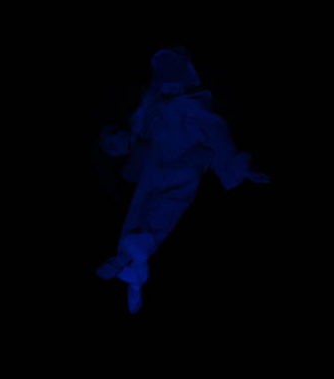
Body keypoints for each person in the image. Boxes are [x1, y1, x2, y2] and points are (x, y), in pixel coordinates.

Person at [97, 48, 268, 313]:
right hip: (157, 167)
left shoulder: (194, 108)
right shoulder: (149, 117)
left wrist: (240, 167)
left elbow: (218, 137)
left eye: (112, 139)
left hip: (181, 168)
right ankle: (131, 272)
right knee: (138, 213)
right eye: (110, 146)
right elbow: (138, 130)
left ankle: (128, 262)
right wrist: (127, 141)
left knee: (164, 209)